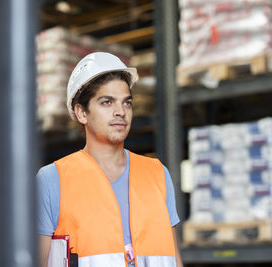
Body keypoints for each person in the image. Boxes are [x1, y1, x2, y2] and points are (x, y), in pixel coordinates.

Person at [37, 52, 183, 267]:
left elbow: (173, 258)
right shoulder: (51, 180)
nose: (120, 112)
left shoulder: (157, 174)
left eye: (127, 103)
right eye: (107, 102)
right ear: (81, 113)